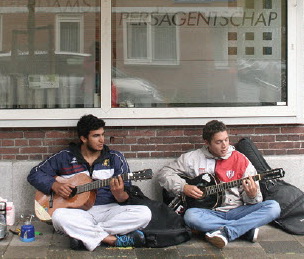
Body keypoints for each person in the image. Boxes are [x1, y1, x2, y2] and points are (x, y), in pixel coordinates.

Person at [28, 114, 151, 251]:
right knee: (58, 216)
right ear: (83, 138)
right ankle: (112, 239)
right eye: (96, 136)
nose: (102, 140)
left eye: (103, 135)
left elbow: (125, 198)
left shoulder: (115, 158)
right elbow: (35, 174)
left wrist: (119, 193)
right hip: (77, 212)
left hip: (108, 210)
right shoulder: (64, 157)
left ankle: (83, 236)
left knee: (144, 213)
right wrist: (54, 185)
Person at [155, 120, 280, 249]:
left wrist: (252, 195)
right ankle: (244, 229)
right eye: (219, 142)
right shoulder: (192, 158)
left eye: (226, 140)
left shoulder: (240, 159)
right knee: (190, 216)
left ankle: (227, 232)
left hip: (237, 210)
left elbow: (253, 201)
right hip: (209, 213)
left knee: (273, 207)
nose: (224, 145)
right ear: (207, 142)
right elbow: (164, 173)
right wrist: (183, 187)